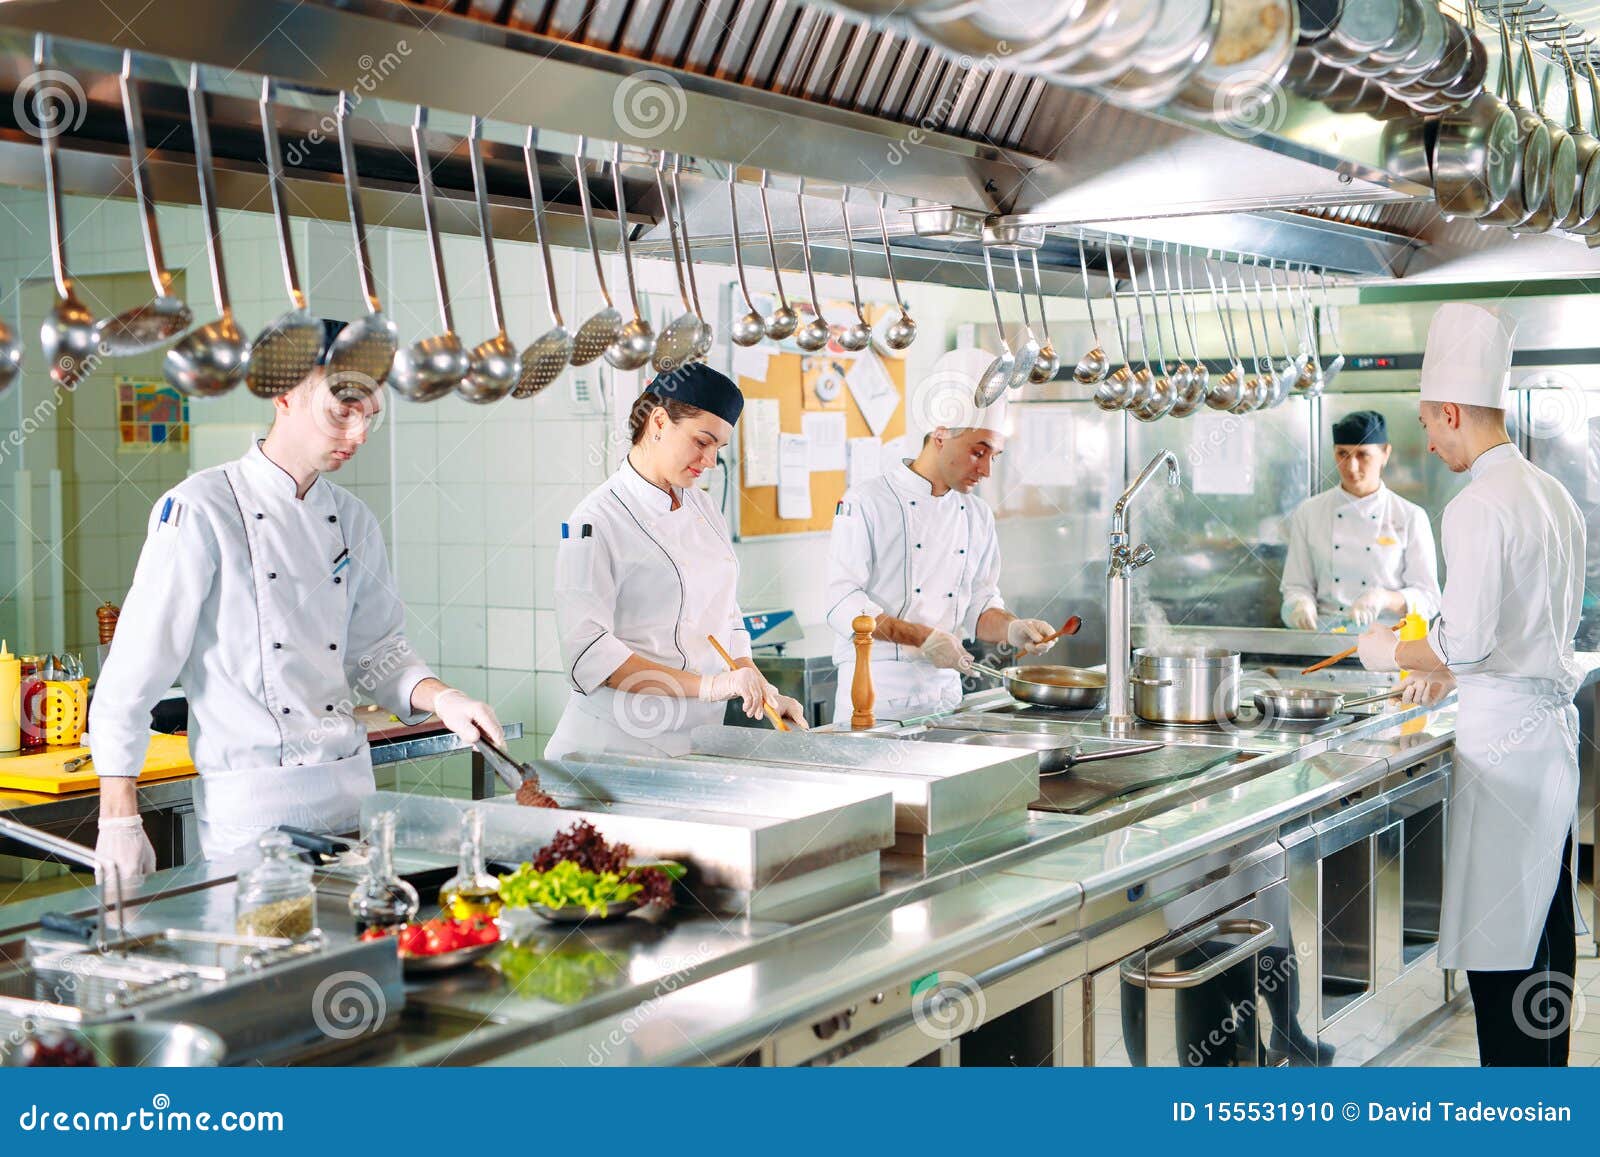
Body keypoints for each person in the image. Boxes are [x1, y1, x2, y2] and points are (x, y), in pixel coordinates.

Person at [90, 323, 502, 877]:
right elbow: (133, 673)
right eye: (342, 411)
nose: (357, 433)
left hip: (351, 800)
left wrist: (444, 698)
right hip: (252, 817)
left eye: (370, 416)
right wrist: (119, 818)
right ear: (283, 393)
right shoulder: (200, 510)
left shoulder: (353, 520)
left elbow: (378, 653)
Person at [1357, 302, 1584, 1067]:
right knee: (1545, 940)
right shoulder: (1553, 495)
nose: (1427, 439)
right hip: (1547, 747)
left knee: (1503, 959)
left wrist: (1389, 649)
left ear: (1452, 410)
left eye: (1428, 423)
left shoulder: (1477, 504)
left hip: (1504, 754)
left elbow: (1470, 641)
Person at [549, 364, 806, 759]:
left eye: (718, 448)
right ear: (658, 421)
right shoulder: (596, 520)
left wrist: (759, 687)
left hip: (693, 740)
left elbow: (724, 613)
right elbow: (589, 655)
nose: (710, 461)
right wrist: (712, 686)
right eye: (702, 441)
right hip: (613, 747)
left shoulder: (702, 506)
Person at [824, 348, 1057, 720]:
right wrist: (922, 638)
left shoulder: (976, 515)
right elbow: (843, 604)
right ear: (940, 435)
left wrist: (1013, 628)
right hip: (875, 697)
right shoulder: (867, 502)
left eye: (993, 456)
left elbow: (979, 606)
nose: (985, 470)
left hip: (947, 698)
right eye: (977, 452)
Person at [1280, 409, 1441, 630]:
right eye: (1342, 454)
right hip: (1322, 640)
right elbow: (1296, 585)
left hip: (1389, 645)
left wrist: (1384, 598)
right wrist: (1300, 603)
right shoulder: (1309, 512)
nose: (1351, 466)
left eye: (1363, 454)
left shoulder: (1410, 516)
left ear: (1385, 453)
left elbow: (1429, 599)